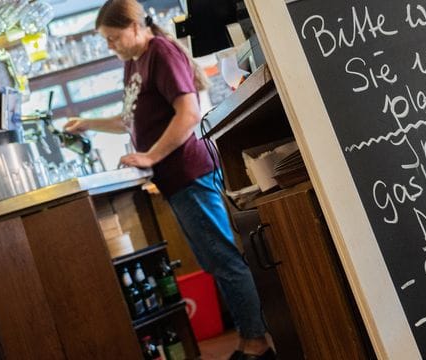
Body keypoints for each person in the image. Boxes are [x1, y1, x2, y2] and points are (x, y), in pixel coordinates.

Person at [64, 1, 275, 359]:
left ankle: (257, 344)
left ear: (133, 26)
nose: (110, 46)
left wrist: (150, 156)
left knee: (224, 260)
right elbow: (126, 120)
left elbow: (189, 113)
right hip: (176, 180)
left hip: (190, 172)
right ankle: (248, 340)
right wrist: (86, 123)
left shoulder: (159, 52)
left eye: (113, 38)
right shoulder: (134, 62)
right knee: (214, 262)